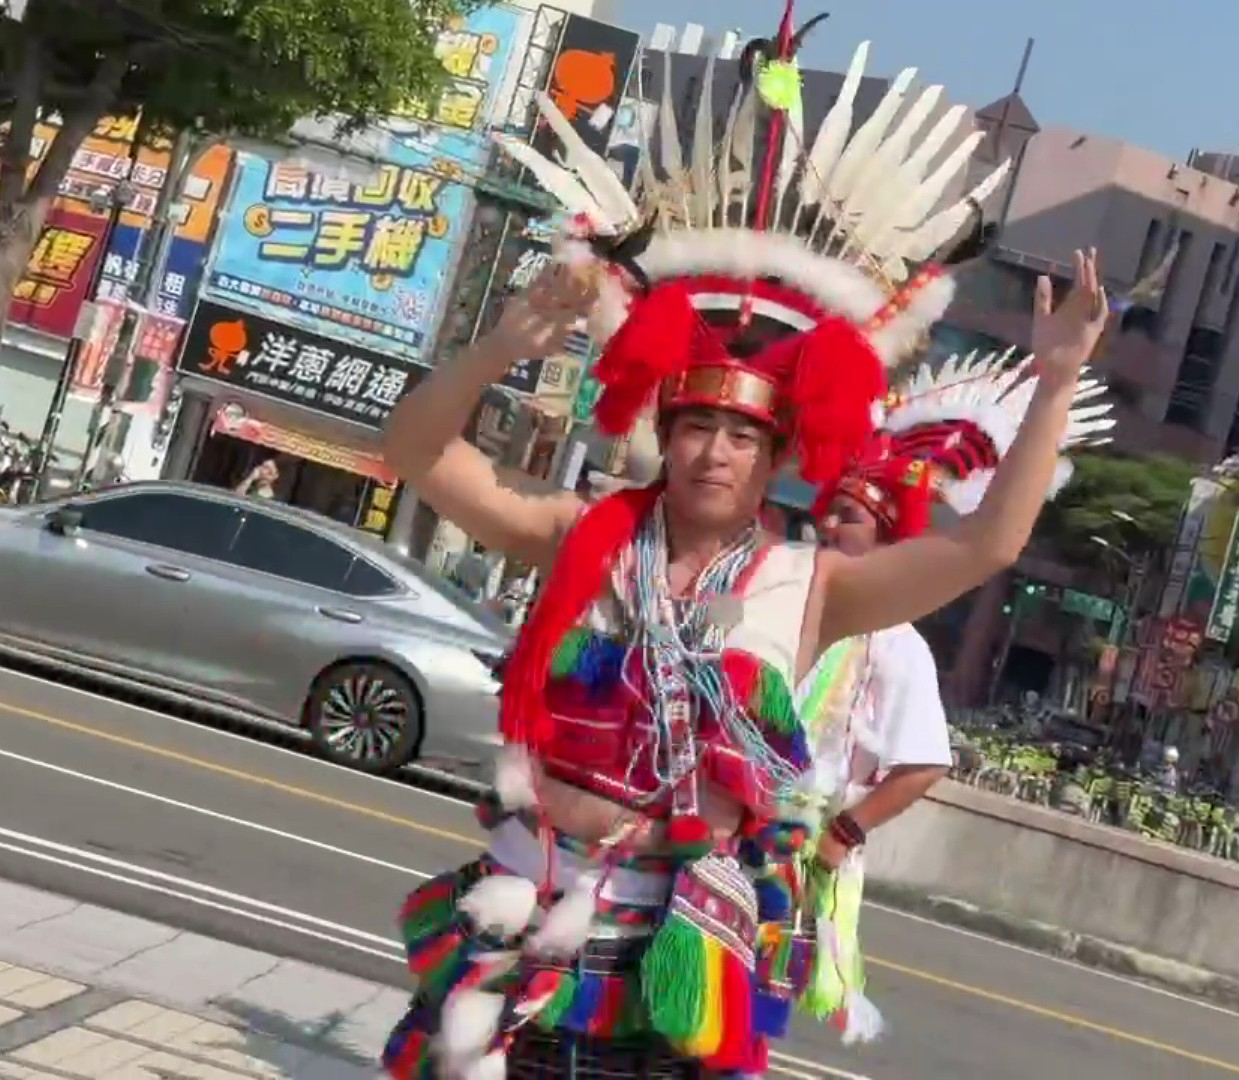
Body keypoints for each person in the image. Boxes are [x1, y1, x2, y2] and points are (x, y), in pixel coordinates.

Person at [374, 9, 1110, 1077]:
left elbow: (988, 545)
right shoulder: (583, 535)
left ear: (777, 461)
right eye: (697, 428)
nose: (714, 452)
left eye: (742, 438)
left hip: (675, 954)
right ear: (664, 434)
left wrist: (1057, 381)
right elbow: (415, 452)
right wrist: (501, 346)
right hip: (525, 910)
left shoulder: (810, 586)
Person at [789, 347, 1114, 1040]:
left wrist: (843, 834)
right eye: (828, 513)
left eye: (848, 517)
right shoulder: (782, 595)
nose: (828, 527)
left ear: (887, 537)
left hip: (799, 843)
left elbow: (925, 762)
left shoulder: (896, 641)